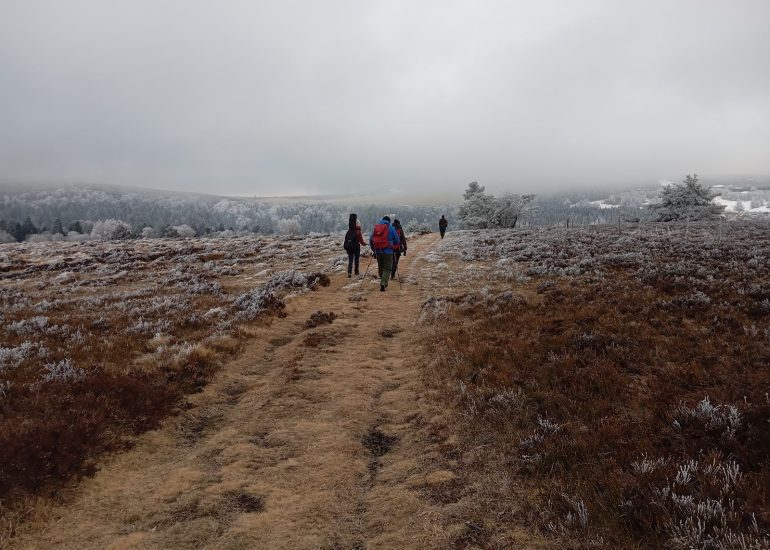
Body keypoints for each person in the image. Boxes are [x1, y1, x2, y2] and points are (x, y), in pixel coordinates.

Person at [369, 215, 400, 291]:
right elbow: (397, 240)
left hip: (378, 251)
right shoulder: (391, 228)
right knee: (387, 268)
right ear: (389, 221)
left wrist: (374, 250)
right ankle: (383, 283)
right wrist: (394, 247)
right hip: (388, 251)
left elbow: (371, 239)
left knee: (381, 266)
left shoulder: (376, 228)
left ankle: (382, 279)